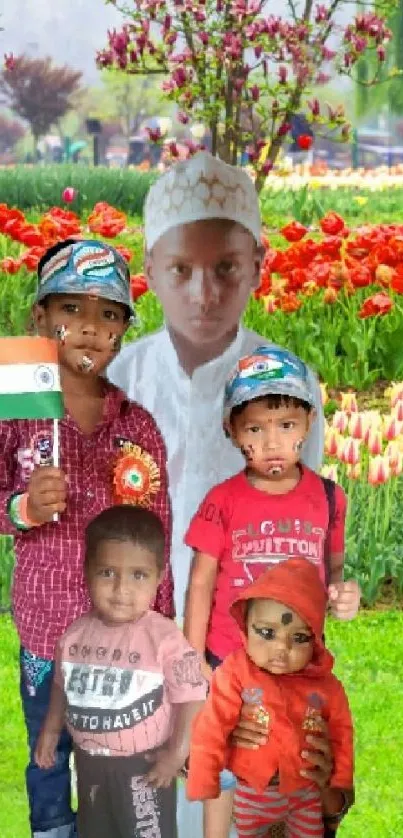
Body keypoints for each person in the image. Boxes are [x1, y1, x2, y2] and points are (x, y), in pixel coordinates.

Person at [107, 151, 344, 837]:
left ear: (258, 266)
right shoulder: (123, 376)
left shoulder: (286, 384)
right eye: (180, 270)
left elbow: (296, 531)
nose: (203, 292)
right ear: (149, 272)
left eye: (225, 268)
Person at [0, 238, 173, 838]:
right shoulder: (17, 416)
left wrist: (167, 633)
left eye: (108, 314)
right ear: (39, 319)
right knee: (49, 760)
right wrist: (22, 507)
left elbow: (160, 536)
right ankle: (51, 830)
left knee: (121, 760)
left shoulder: (137, 425)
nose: (89, 328)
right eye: (70, 310)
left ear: (124, 329)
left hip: (124, 642)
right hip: (47, 633)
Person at [184, 345, 360, 834]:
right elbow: (201, 581)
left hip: (299, 664)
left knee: (301, 767)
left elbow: (334, 571)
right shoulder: (223, 501)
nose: (272, 442)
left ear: (308, 422)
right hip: (231, 663)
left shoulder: (328, 497)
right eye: (255, 429)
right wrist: (195, 657)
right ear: (233, 432)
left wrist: (346, 594)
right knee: (227, 769)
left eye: (286, 425)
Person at [35, 505, 206, 838]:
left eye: (138, 575)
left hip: (144, 766)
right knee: (95, 831)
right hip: (88, 764)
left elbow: (192, 695)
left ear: (159, 576)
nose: (121, 589)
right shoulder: (74, 635)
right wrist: (52, 730)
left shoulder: (165, 638)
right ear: (87, 572)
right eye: (107, 573)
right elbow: (61, 685)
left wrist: (178, 750)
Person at [187, 558, 354, 838]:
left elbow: (343, 740)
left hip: (306, 795)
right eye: (267, 633)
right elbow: (212, 726)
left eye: (299, 637)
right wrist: (205, 780)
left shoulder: (328, 688)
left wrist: (337, 786)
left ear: (316, 640)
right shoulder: (235, 673)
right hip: (255, 792)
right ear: (246, 626)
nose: (281, 648)